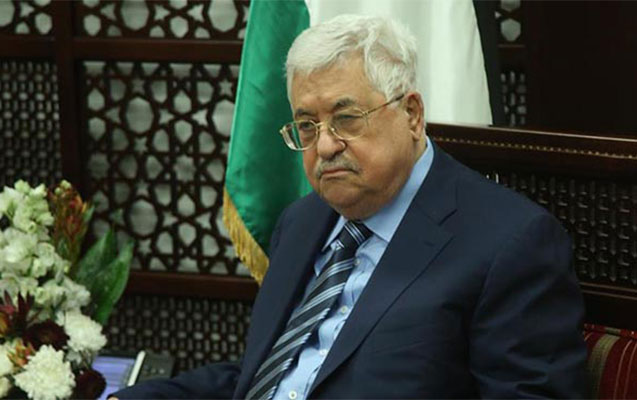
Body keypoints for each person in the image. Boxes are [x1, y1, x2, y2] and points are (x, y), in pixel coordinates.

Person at [113, 14, 587, 399]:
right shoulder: (302, 221)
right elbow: (272, 376)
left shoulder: (510, 244)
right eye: (306, 125)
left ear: (412, 114)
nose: (324, 146)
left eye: (346, 119)